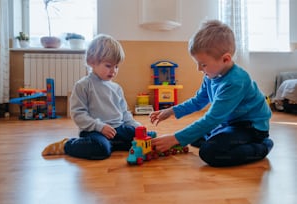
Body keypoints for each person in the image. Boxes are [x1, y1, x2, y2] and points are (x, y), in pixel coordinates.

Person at [149, 20, 274, 167]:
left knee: (210, 152)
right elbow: (198, 101)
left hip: (251, 128)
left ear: (225, 59)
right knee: (195, 138)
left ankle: (262, 146)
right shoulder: (211, 75)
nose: (199, 69)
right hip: (230, 123)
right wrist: (171, 111)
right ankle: (224, 136)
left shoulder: (235, 81)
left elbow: (212, 118)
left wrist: (174, 139)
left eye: (203, 64)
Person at [42, 34, 141, 160]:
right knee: (101, 149)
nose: (113, 71)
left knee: (142, 137)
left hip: (117, 129)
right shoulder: (83, 85)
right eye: (108, 66)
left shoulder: (117, 88)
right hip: (94, 131)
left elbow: (125, 113)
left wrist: (137, 127)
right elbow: (78, 114)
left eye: (116, 66)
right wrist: (99, 127)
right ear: (92, 62)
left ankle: (112, 144)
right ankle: (67, 145)